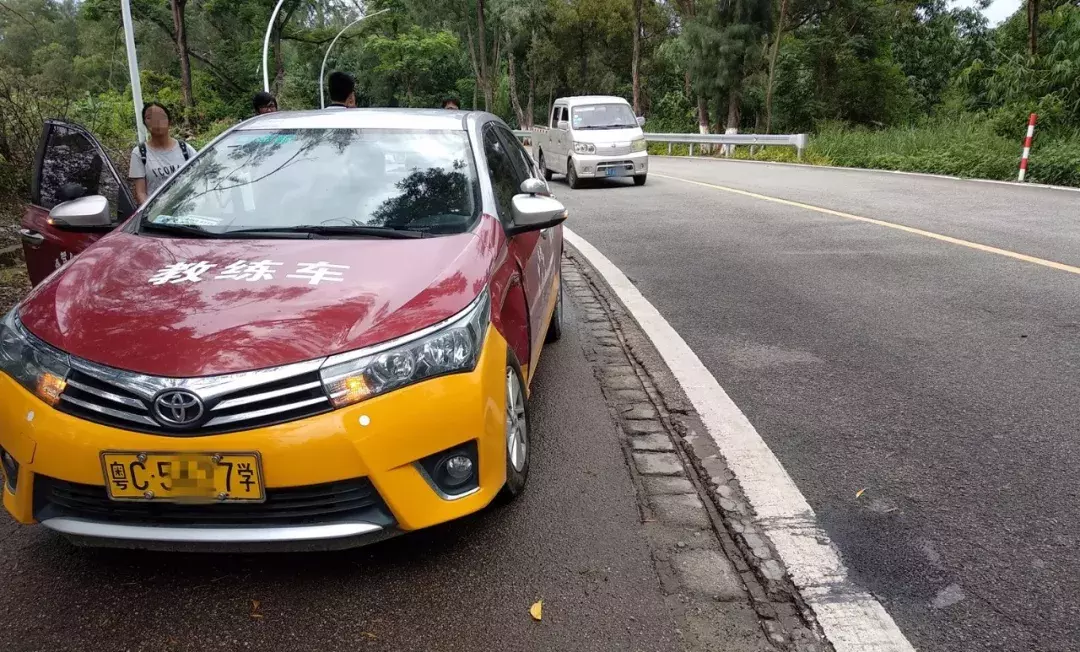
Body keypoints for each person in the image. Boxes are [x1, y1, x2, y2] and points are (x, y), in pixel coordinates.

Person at [128, 102, 196, 204]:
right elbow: (140, 193)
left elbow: (199, 181)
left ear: (170, 121)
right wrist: (151, 214)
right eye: (150, 118)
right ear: (145, 124)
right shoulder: (139, 153)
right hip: (157, 215)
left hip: (186, 209)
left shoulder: (186, 149)